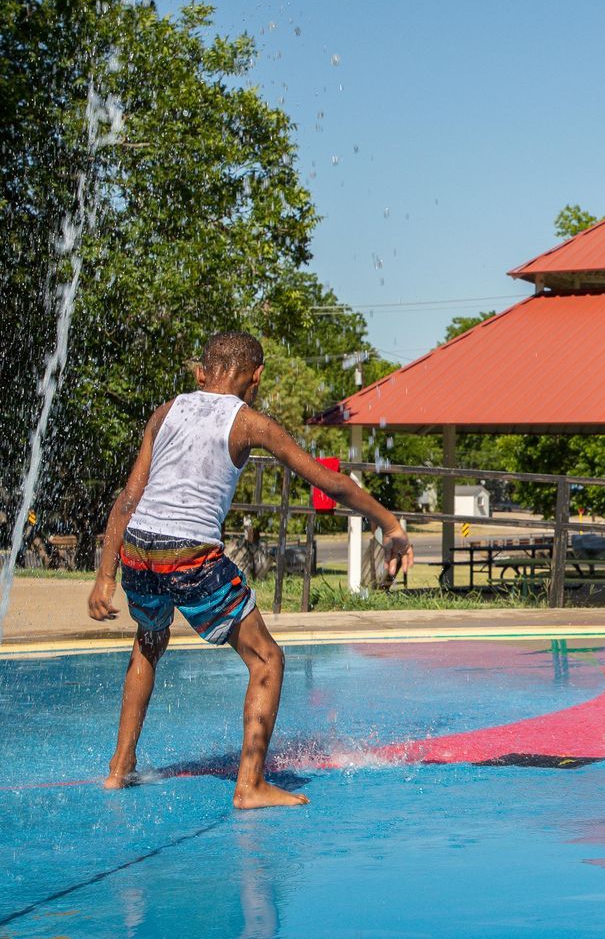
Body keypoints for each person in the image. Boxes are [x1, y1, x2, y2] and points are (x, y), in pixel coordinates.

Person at [87, 332, 413, 808]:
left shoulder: (167, 410)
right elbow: (329, 483)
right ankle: (250, 785)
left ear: (203, 370)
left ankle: (119, 769)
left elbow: (129, 497)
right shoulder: (249, 423)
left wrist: (105, 575)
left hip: (139, 548)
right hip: (189, 554)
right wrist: (389, 524)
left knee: (148, 641)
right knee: (267, 660)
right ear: (255, 376)